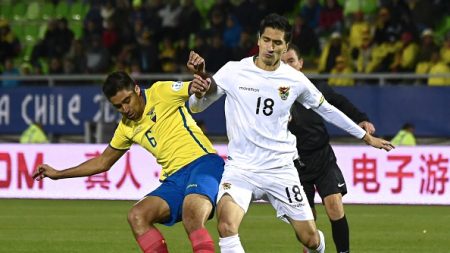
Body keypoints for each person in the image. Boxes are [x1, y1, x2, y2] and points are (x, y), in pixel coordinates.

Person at [187, 13, 394, 253]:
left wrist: (365, 137)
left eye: (277, 43)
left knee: (310, 240)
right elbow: (195, 106)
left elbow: (326, 109)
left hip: (281, 169)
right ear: (258, 39)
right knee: (226, 225)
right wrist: (200, 91)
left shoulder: (294, 79)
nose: (270, 47)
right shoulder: (233, 71)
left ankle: (320, 243)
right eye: (266, 40)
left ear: (285, 46)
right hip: (241, 169)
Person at [32, 71, 224, 253]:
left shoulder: (160, 91)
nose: (125, 109)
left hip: (203, 163)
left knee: (192, 215)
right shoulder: (126, 127)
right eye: (118, 106)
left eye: (127, 101)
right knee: (137, 216)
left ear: (137, 90)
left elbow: (194, 87)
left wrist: (199, 81)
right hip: (174, 179)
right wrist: (58, 174)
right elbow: (102, 162)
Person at [282, 44, 375, 253]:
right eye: (282, 62)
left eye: (291, 61)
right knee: (307, 223)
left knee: (334, 206)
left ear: (300, 64)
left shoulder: (316, 88)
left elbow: (339, 102)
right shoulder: (273, 94)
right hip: (294, 164)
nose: (287, 66)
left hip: (322, 158)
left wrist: (361, 118)